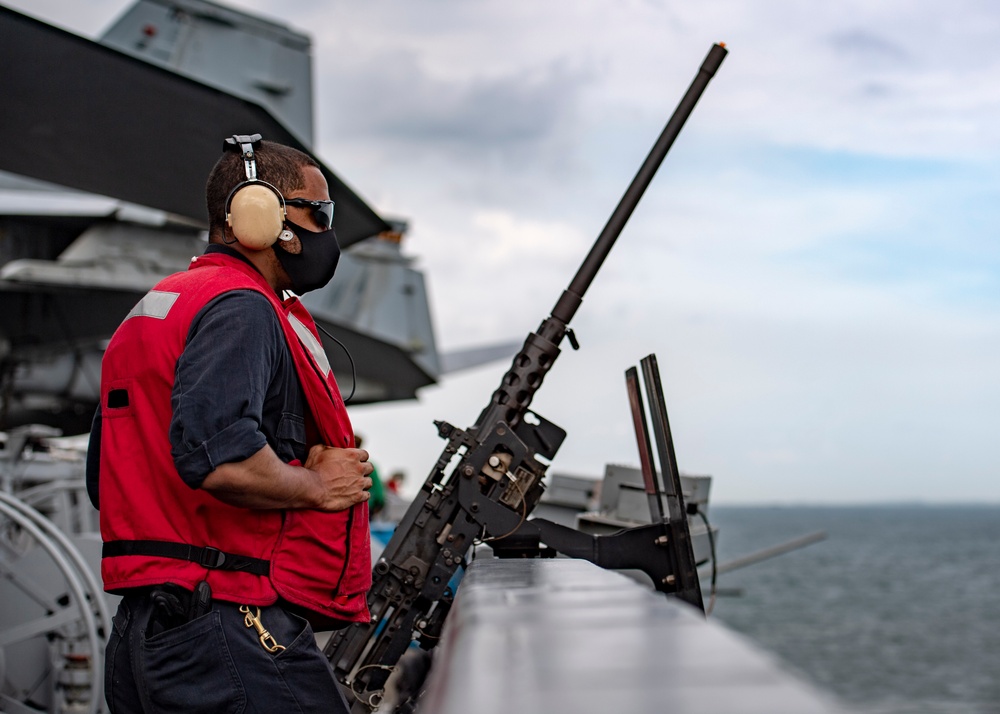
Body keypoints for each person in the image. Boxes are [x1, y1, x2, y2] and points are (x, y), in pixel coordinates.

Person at [86, 135, 372, 713]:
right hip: (227, 625)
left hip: (144, 634)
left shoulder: (160, 305)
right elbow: (224, 458)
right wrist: (318, 485)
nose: (324, 231)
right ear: (259, 214)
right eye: (317, 212)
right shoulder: (241, 306)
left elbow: (104, 478)